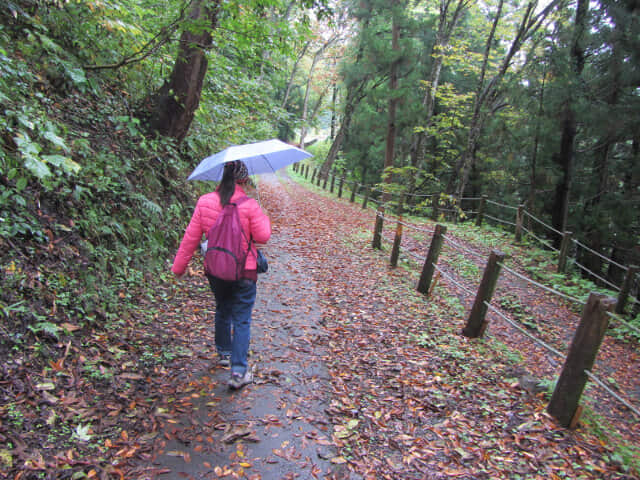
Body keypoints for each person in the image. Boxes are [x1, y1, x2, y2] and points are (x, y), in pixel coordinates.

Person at [171, 160, 271, 389]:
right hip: (244, 270)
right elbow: (263, 236)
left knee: (223, 308)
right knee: (242, 319)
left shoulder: (205, 202)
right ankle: (238, 373)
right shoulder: (249, 204)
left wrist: (179, 267)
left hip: (216, 269)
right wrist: (262, 216)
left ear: (222, 176)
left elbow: (191, 238)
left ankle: (224, 353)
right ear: (243, 180)